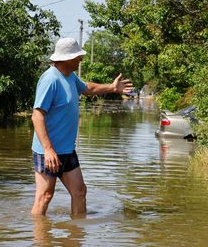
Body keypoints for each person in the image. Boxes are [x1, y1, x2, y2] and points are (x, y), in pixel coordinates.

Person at [31, 37, 134, 216]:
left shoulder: (70, 77)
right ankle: (40, 243)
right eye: (78, 56)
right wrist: (48, 150)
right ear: (66, 58)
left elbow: (88, 89)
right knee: (45, 196)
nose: (81, 59)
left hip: (67, 149)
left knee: (79, 192)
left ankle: (76, 236)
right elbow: (37, 116)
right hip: (48, 151)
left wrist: (111, 88)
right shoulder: (50, 79)